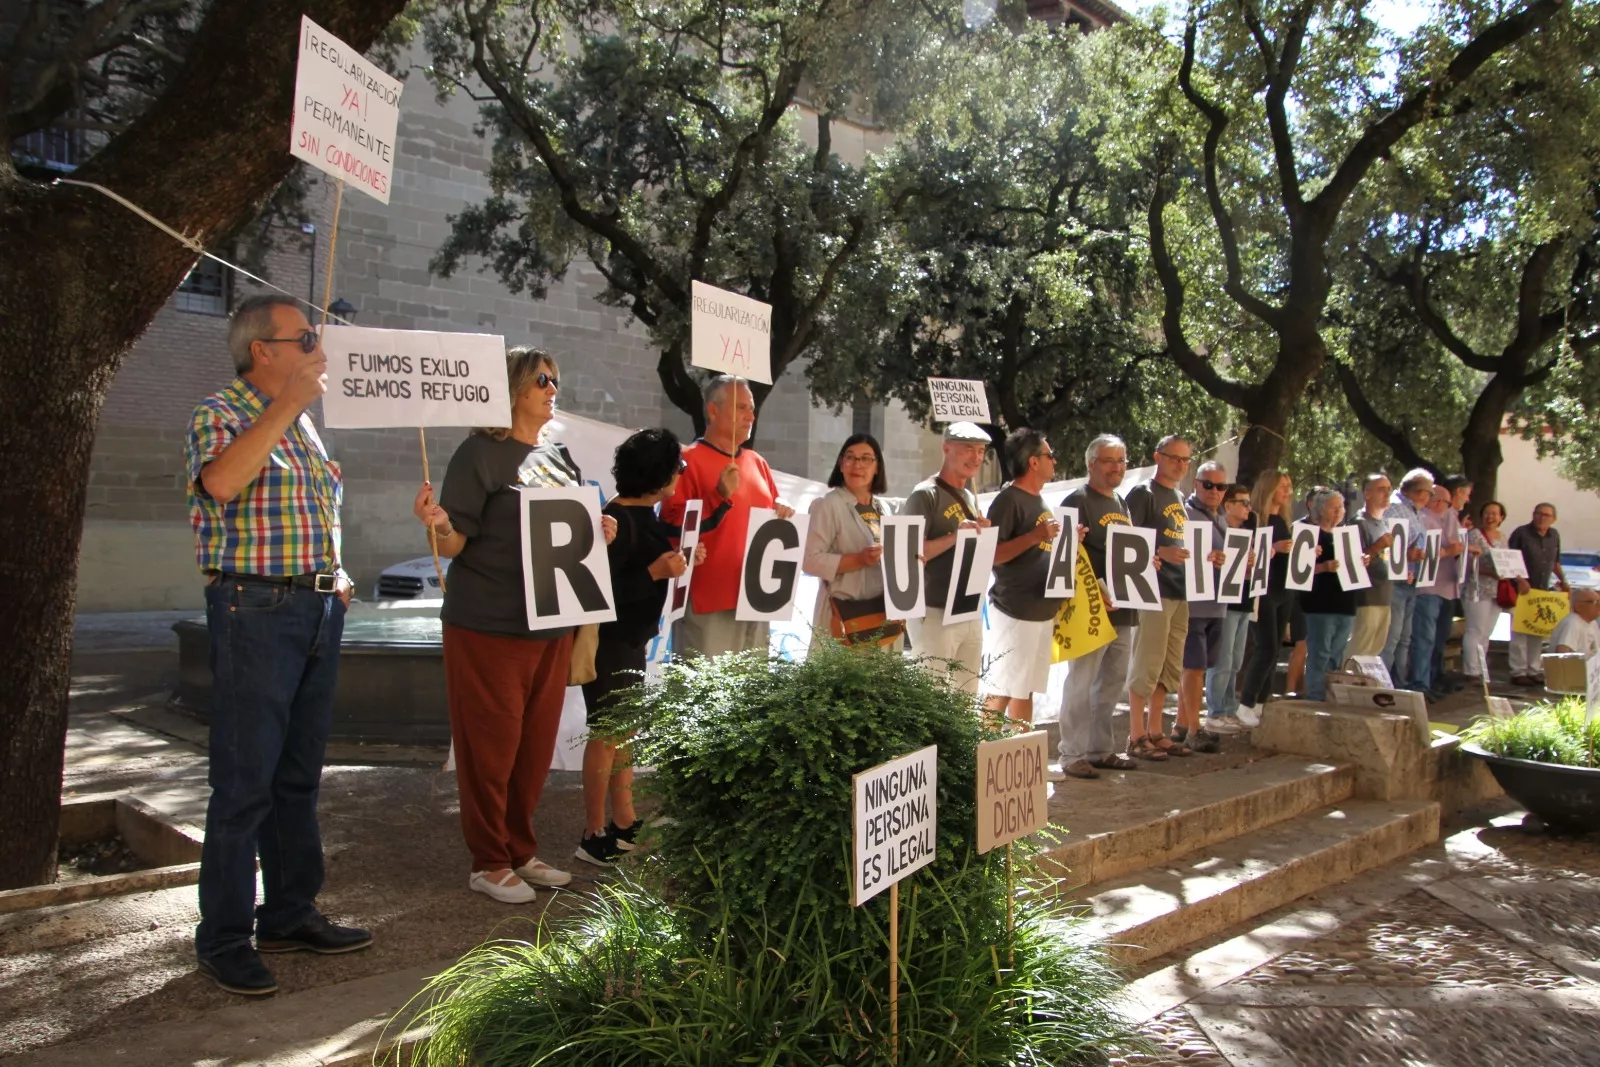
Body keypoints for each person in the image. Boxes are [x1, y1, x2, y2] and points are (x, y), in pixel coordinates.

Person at [185, 295, 368, 997]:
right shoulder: (220, 412)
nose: (319, 349)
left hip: (316, 607)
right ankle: (224, 937)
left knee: (297, 775)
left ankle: (289, 913)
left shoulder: (303, 426)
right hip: (256, 609)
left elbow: (311, 512)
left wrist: (337, 578)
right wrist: (286, 405)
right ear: (263, 349)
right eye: (306, 338)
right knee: (245, 782)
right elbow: (223, 482)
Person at [413, 347, 616, 903]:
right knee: (491, 746)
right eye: (542, 380)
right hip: (489, 625)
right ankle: (488, 861)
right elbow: (454, 543)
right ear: (513, 387)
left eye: (555, 379)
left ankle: (520, 850)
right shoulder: (478, 454)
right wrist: (438, 524)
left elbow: (566, 533)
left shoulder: (558, 455)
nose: (553, 389)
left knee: (533, 748)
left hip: (551, 624)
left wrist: (597, 529)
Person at [576, 428, 713, 866]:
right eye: (678, 466)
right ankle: (592, 832)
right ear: (657, 473)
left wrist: (681, 562)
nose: (681, 473)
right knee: (606, 735)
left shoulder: (641, 514)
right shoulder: (614, 520)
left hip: (631, 639)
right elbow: (600, 592)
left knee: (623, 734)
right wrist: (655, 573)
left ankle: (624, 820)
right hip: (611, 642)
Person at [660, 375, 795, 659]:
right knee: (704, 686)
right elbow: (670, 527)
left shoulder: (757, 462)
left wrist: (782, 506)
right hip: (708, 602)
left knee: (752, 687)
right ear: (713, 410)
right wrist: (718, 496)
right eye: (741, 408)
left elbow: (772, 507)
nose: (751, 416)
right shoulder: (687, 460)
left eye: (752, 409)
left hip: (757, 599)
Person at [1057, 434, 1140, 780]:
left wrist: (1147, 564)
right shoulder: (1077, 500)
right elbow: (1065, 554)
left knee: (1111, 684)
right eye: (1109, 461)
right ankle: (1071, 754)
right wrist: (1092, 592)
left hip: (1125, 608)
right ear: (1091, 464)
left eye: (1121, 461)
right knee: (1082, 681)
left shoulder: (1121, 502)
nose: (1117, 467)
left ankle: (1101, 749)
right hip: (1091, 609)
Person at [899, 422, 993, 691]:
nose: (976, 457)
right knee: (932, 694)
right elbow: (909, 552)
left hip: (968, 607)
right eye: (968, 449)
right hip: (934, 611)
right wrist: (955, 536)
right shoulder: (924, 495)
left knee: (967, 696)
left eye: (981, 451)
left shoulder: (970, 496)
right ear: (946, 449)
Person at [981, 429, 1063, 727]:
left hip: (1040, 611)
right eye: (1050, 455)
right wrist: (1035, 536)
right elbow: (991, 555)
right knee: (1001, 687)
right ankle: (980, 747)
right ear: (1033, 462)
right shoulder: (1008, 501)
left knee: (1024, 689)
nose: (1055, 461)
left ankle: (1021, 751)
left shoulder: (1040, 501)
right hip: (1014, 611)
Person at [1125, 435, 1194, 760]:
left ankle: (1156, 730)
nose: (1181, 464)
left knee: (1170, 665)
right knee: (1147, 663)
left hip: (1181, 589)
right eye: (1175, 457)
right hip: (1153, 590)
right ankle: (1135, 734)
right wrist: (1159, 551)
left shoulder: (1179, 496)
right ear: (1158, 457)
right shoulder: (1143, 494)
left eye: (1186, 459)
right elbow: (1126, 541)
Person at [804, 434, 897, 648]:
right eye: (850, 457)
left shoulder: (884, 508)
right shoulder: (827, 505)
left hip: (880, 616)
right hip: (843, 617)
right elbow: (810, 561)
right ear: (841, 464)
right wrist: (859, 560)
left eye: (866, 459)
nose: (857, 465)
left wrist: (910, 561)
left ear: (877, 467)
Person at [1174, 461, 1230, 753]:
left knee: (1200, 667)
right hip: (1194, 604)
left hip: (1217, 603)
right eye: (1208, 484)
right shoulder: (1185, 513)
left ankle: (1182, 725)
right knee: (1193, 667)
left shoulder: (1222, 517)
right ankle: (1194, 729)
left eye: (1221, 486)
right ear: (1196, 484)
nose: (1214, 491)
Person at [1238, 469, 1294, 726]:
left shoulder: (1282, 520)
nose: (1287, 492)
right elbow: (1249, 554)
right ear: (1269, 488)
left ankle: (1261, 701)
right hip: (1263, 590)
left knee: (1275, 649)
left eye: (1288, 486)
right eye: (1282, 486)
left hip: (1284, 591)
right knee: (1266, 648)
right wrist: (1274, 548)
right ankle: (1246, 702)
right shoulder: (1254, 520)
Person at [1204, 483, 1256, 732]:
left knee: (1235, 661)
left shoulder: (1245, 533)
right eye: (1244, 503)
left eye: (1249, 503)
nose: (1248, 508)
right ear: (1229, 505)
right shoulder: (1219, 532)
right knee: (1222, 660)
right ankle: (1215, 712)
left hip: (1244, 601)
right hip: (1225, 603)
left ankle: (1227, 709)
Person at [1298, 488, 1357, 701]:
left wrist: (1361, 561)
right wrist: (1323, 567)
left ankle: (1332, 696)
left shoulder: (1345, 535)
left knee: (1337, 654)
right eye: (1333, 507)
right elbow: (1297, 571)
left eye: (1341, 507)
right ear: (1321, 509)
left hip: (1345, 603)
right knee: (1320, 653)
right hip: (1320, 604)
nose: (1339, 511)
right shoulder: (1307, 533)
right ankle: (1315, 697)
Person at [1407, 485, 1465, 698]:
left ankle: (1433, 679)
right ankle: (1420, 684)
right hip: (1427, 588)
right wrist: (1450, 550)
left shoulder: (1445, 518)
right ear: (1439, 501)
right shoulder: (1422, 518)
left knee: (1438, 638)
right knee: (1424, 638)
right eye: (1448, 503)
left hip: (1446, 587)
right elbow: (1424, 552)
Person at [1380, 469, 1435, 682]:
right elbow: (1384, 545)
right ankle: (1384, 685)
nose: (1430, 498)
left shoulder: (1413, 511)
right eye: (1430, 493)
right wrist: (1406, 556)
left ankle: (1399, 683)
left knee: (1404, 639)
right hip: (1394, 582)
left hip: (1410, 580)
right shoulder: (1394, 509)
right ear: (1420, 492)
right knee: (1391, 638)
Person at [1507, 503, 1568, 686]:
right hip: (1522, 590)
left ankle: (1533, 670)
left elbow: (1555, 562)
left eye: (1546, 515)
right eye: (1539, 513)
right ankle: (1518, 671)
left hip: (1541, 591)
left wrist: (1564, 581)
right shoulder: (1521, 533)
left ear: (1553, 519)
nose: (1542, 517)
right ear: (1533, 515)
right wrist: (1519, 579)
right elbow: (1510, 559)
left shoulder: (1554, 535)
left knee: (1537, 631)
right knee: (1519, 633)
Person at [1461, 501, 1509, 684]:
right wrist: (1490, 572)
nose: (1491, 517)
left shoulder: (1503, 537)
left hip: (1496, 591)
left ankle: (1481, 669)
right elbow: (1467, 563)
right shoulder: (1474, 535)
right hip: (1477, 589)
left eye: (1495, 513)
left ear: (1501, 517)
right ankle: (1470, 670)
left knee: (1487, 632)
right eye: (1487, 513)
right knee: (1475, 630)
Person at [1549, 590, 1600, 657]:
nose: (1599, 605)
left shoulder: (1592, 623)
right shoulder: (1572, 623)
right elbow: (1562, 654)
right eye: (1595, 602)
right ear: (1578, 606)